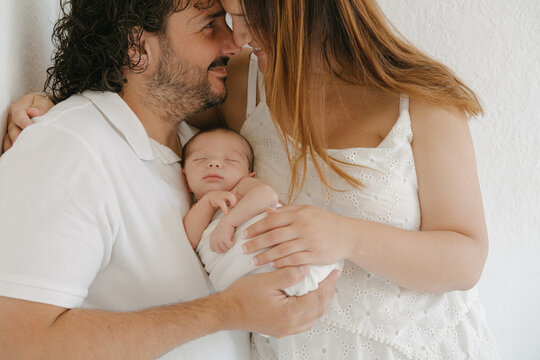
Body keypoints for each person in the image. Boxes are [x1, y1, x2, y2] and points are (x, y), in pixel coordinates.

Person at [5, 0, 499, 358]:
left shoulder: (423, 100)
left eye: (240, 17)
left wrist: (346, 235)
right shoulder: (246, 84)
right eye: (219, 20)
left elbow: (466, 255)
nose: (235, 40)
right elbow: (135, 111)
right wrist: (48, 119)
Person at [0, 0, 339, 359]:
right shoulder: (69, 149)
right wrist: (227, 311)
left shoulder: (199, 148)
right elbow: (14, 340)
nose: (234, 45)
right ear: (138, 46)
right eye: (210, 26)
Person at [182, 127, 343, 296]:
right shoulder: (197, 209)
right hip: (244, 280)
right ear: (185, 177)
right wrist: (207, 202)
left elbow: (268, 195)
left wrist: (228, 222)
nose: (214, 163)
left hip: (287, 256)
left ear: (249, 175)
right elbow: (190, 240)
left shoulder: (241, 189)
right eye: (200, 159)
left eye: (231, 160)